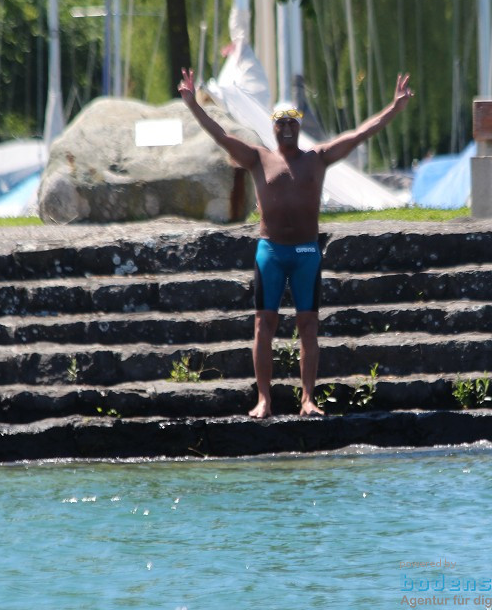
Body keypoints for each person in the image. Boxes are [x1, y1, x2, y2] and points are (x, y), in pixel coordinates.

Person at [177, 68, 414, 418]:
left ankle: (307, 399)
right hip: (271, 251)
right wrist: (193, 103)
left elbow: (361, 133)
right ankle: (264, 400)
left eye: (292, 122)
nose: (287, 127)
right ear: (272, 126)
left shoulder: (317, 158)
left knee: (308, 325)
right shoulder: (258, 158)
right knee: (263, 324)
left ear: (299, 126)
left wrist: (394, 108)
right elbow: (221, 135)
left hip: (305, 252)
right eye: (280, 122)